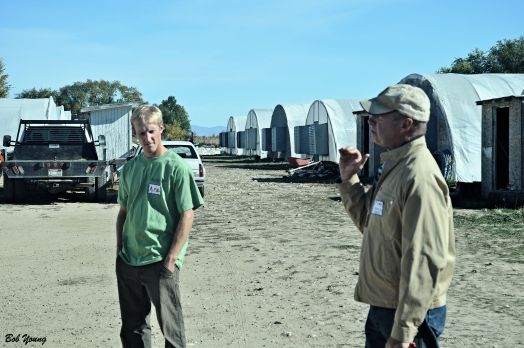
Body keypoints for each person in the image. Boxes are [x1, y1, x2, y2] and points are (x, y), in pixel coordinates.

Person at [337, 84, 455, 348]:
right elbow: (371, 224)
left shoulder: (419, 176)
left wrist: (404, 331)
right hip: (386, 308)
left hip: (408, 315)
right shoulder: (395, 166)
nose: (371, 122)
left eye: (379, 117)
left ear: (405, 124)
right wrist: (350, 179)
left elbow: (424, 259)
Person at [116, 104, 204, 348]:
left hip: (160, 262)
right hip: (129, 261)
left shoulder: (175, 167)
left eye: (151, 131)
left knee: (171, 332)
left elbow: (188, 214)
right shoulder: (130, 169)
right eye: (141, 133)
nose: (147, 138)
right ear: (135, 134)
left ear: (161, 129)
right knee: (133, 329)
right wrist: (119, 253)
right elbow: (123, 212)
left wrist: (172, 259)